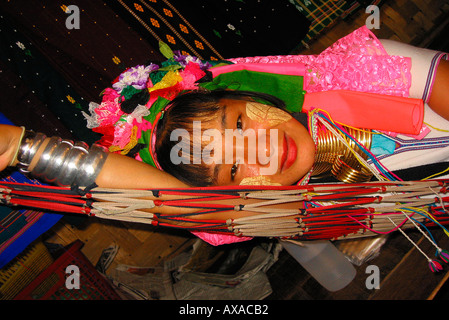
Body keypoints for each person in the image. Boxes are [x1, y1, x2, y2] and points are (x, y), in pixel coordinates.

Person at [1, 26, 448, 245]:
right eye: (234, 168)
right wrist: (26, 148)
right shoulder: (306, 209)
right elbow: (173, 202)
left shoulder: (367, 73)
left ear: (257, 97)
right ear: (233, 195)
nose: (264, 151)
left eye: (237, 124)